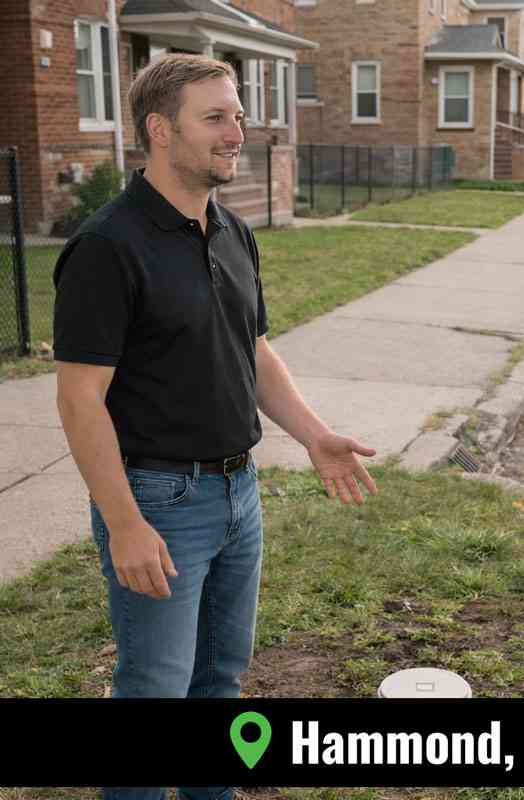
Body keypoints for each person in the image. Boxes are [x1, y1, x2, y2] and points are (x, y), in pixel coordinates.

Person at [53, 54, 378, 800]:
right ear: (160, 130)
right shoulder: (109, 246)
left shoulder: (231, 230)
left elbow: (252, 349)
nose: (238, 131)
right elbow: (79, 401)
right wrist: (124, 521)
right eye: (217, 117)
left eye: (237, 114)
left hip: (240, 495)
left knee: (220, 681)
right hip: (160, 502)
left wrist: (312, 434)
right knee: (154, 693)